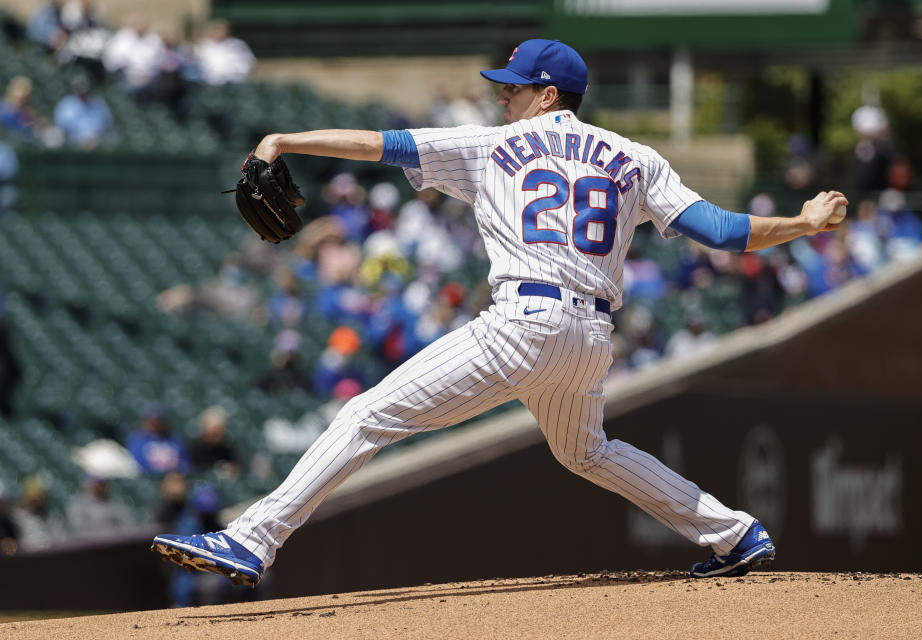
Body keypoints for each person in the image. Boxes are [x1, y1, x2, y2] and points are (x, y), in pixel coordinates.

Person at [152, 39, 847, 586]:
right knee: (586, 451)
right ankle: (734, 533)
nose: (503, 99)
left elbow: (378, 145)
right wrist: (802, 222)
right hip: (593, 336)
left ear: (548, 95)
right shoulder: (633, 156)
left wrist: (283, 141)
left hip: (525, 325)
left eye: (513, 89)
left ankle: (254, 537)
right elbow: (723, 233)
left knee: (368, 414)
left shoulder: (494, 146)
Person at [65, 475, 133, 537]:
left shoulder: (114, 504)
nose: (100, 488)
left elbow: (125, 525)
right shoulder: (79, 505)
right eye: (97, 485)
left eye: (102, 485)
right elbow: (77, 527)